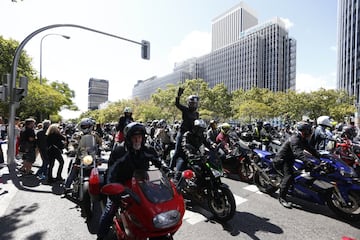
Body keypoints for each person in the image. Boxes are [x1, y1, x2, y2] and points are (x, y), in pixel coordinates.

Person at [97, 122, 165, 240]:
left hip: (142, 185)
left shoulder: (148, 150)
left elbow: (160, 163)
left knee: (156, 207)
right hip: (121, 185)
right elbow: (111, 172)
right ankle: (101, 236)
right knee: (110, 210)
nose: (137, 140)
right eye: (134, 137)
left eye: (140, 137)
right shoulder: (120, 151)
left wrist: (170, 174)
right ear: (128, 138)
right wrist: (112, 190)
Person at [274, 121, 320, 208]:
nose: (309, 133)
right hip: (282, 160)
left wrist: (320, 156)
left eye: (309, 131)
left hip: (291, 159)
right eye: (307, 131)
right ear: (302, 131)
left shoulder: (302, 139)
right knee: (289, 176)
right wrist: (308, 161)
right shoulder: (295, 139)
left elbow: (310, 148)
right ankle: (282, 198)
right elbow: (298, 153)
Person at [64, 118, 102, 191]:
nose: (86, 128)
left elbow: (100, 143)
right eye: (84, 126)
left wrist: (102, 147)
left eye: (88, 126)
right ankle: (66, 188)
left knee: (97, 172)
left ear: (91, 126)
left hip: (92, 157)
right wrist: (71, 149)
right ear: (81, 127)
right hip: (80, 156)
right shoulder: (77, 135)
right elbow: (72, 143)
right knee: (73, 171)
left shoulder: (95, 135)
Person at [170, 87, 199, 169]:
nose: (194, 105)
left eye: (195, 103)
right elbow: (177, 104)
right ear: (189, 103)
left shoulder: (196, 114)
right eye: (192, 103)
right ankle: (170, 169)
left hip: (191, 134)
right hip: (182, 133)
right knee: (177, 152)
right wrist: (178, 95)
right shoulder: (185, 110)